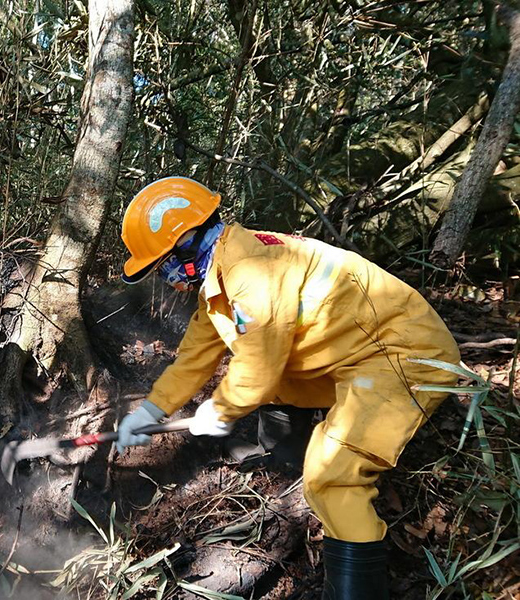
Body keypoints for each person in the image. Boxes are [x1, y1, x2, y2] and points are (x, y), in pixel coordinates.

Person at [114, 177, 459, 600]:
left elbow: (258, 368)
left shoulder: (249, 273)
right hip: (352, 351)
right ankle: (283, 462)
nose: (166, 278)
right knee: (279, 387)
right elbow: (192, 359)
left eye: (163, 264)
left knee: (331, 479)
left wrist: (220, 409)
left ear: (186, 242)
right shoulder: (222, 276)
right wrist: (149, 412)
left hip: (403, 355)